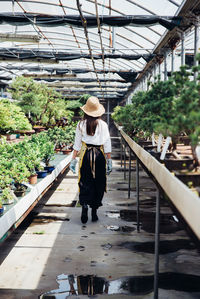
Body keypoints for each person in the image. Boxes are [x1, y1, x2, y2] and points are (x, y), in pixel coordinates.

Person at [69, 96, 112, 224]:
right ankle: (94, 212)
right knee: (98, 182)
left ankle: (84, 206)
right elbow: (107, 143)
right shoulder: (103, 125)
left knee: (85, 181)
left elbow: (77, 144)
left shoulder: (81, 124)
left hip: (86, 155)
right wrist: (109, 160)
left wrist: (73, 159)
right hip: (99, 155)